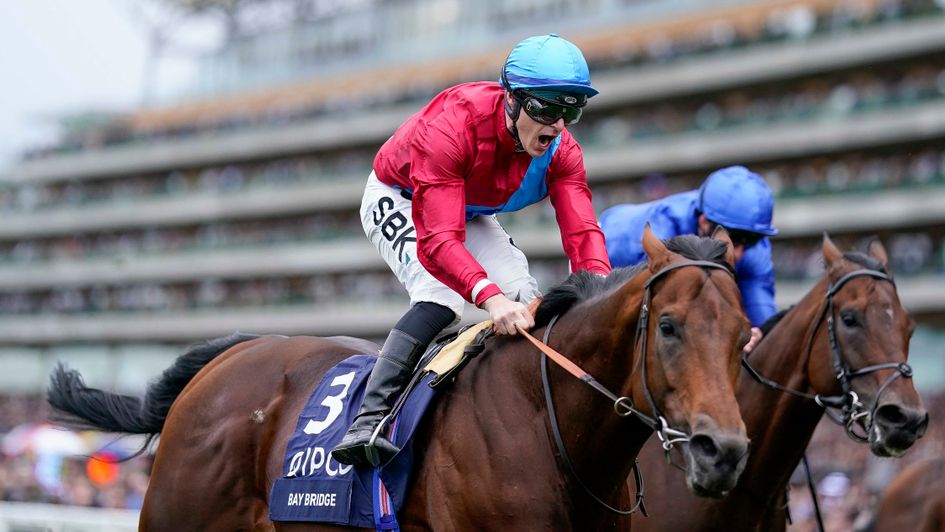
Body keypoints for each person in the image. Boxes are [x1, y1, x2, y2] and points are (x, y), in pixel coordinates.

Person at [331, 34, 612, 467]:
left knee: (523, 292)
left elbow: (583, 232)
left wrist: (601, 292)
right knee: (444, 297)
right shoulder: (451, 127)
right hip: (401, 195)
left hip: (466, 204)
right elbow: (438, 241)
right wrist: (488, 297)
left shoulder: (563, 151)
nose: (557, 125)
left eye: (570, 109)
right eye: (546, 109)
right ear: (512, 101)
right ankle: (369, 418)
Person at [599, 165, 778, 352]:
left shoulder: (755, 245)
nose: (739, 253)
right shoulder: (664, 231)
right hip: (607, 254)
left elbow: (765, 322)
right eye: (735, 239)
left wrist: (758, 334)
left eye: (751, 239)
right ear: (703, 222)